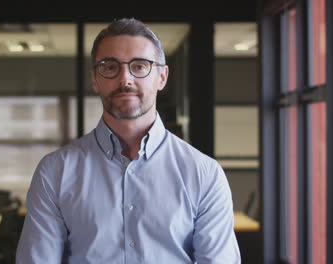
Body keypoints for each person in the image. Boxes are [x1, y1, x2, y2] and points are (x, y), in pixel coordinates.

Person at [16, 18, 240, 263]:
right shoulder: (55, 171)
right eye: (110, 67)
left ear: (162, 77)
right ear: (95, 79)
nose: (125, 79)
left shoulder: (203, 173)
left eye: (140, 66)